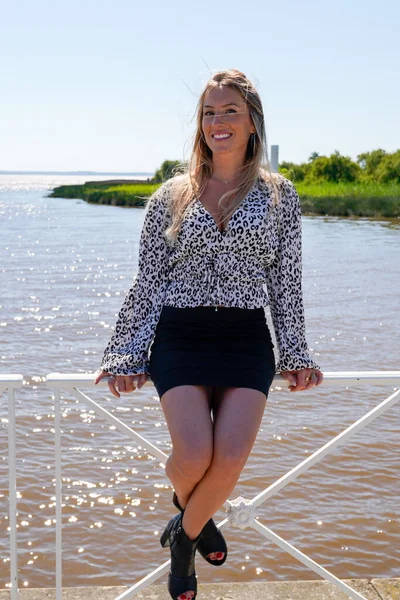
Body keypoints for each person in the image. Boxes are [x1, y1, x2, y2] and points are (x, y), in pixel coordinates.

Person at [94, 69, 323, 600]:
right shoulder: (169, 196)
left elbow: (286, 282)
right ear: (200, 124)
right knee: (195, 456)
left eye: (230, 112)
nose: (218, 122)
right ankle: (195, 516)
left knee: (234, 455)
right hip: (182, 336)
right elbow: (148, 280)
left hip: (246, 339)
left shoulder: (279, 196)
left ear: (251, 123)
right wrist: (126, 352)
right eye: (209, 112)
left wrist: (295, 352)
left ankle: (183, 538)